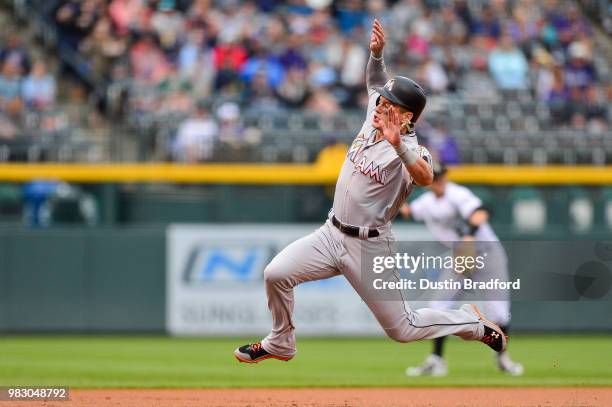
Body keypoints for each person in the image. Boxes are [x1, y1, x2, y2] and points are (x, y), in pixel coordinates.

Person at [234, 20, 508, 364]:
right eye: (381, 102)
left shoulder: (412, 149)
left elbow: (425, 177)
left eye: (389, 103)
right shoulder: (373, 117)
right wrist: (376, 54)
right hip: (330, 234)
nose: (380, 104)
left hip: (369, 246)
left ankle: (471, 321)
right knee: (276, 274)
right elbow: (376, 81)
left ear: (407, 116)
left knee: (403, 330)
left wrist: (398, 147)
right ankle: (281, 342)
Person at [399, 163, 523, 376]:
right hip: (461, 256)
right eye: (433, 177)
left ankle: (502, 357)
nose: (437, 181)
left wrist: (470, 234)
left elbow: (482, 212)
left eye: (440, 176)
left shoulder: (457, 194)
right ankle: (436, 360)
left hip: (486, 253)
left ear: (446, 176)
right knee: (439, 306)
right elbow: (407, 211)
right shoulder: (426, 202)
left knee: (499, 312)